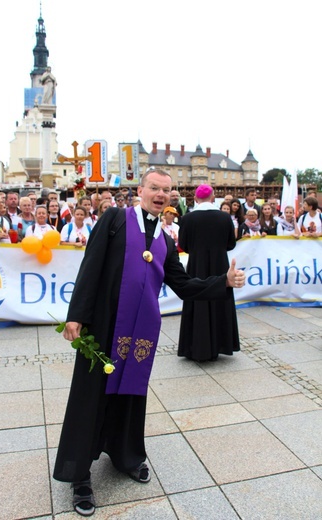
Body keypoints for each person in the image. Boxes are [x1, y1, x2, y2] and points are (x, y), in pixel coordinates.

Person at [53, 169, 245, 517]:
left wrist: (224, 282)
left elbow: (184, 285)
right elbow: (90, 267)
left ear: (172, 197)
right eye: (154, 188)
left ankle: (125, 455)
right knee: (91, 397)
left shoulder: (165, 240)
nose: (160, 194)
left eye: (166, 191)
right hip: (104, 326)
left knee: (130, 394)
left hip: (140, 332)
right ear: (140, 190)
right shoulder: (114, 219)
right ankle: (79, 475)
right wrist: (76, 316)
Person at [178, 184, 239, 362]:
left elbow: (184, 245)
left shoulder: (188, 219)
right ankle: (221, 343)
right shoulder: (224, 217)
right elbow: (231, 244)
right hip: (220, 264)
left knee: (197, 299)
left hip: (197, 265)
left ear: (196, 199)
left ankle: (196, 346)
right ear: (213, 198)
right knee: (220, 298)